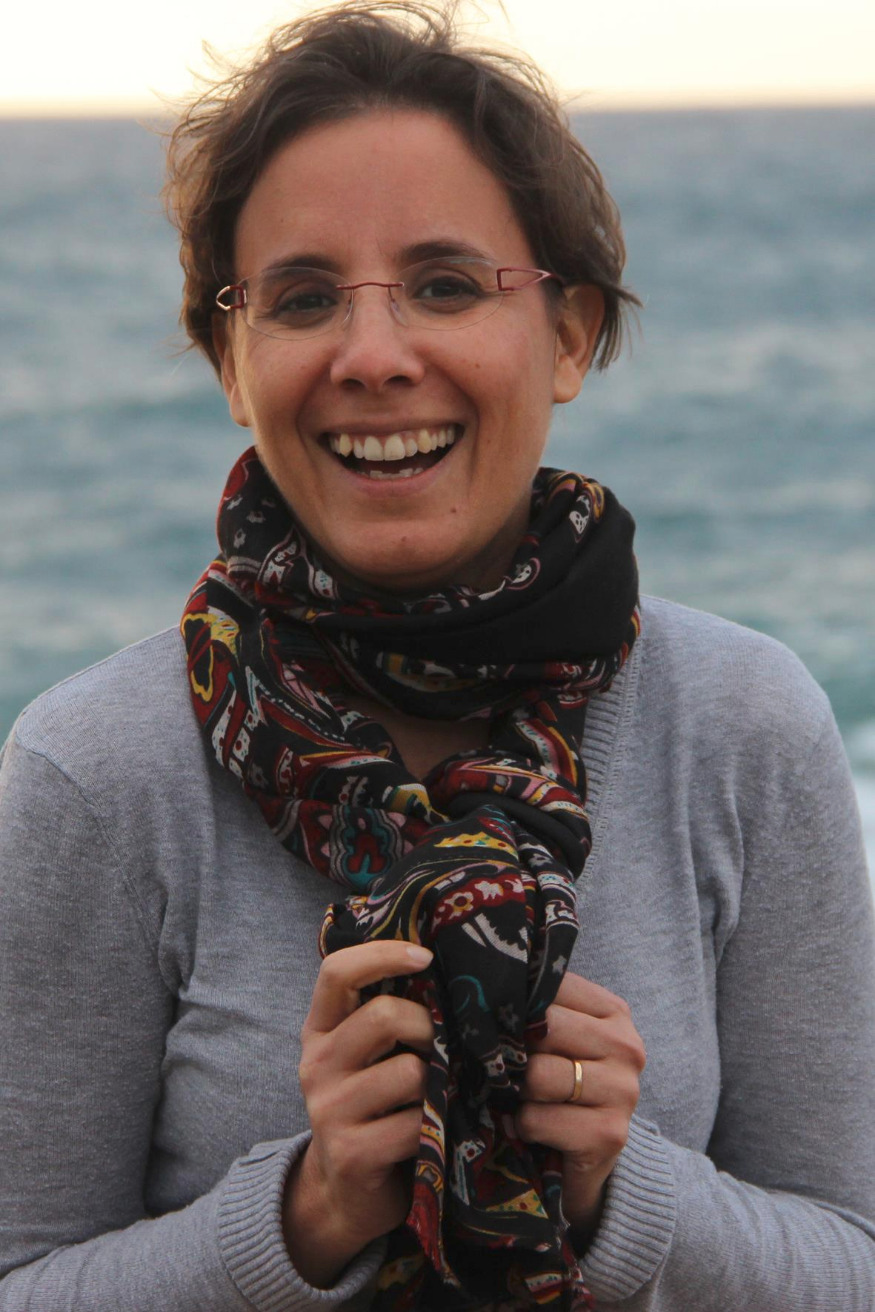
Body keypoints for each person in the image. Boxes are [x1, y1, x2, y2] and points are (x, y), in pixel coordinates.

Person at [1, 2, 874, 1309]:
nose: (374, 357)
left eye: (448, 285)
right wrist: (307, 1215)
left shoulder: (743, 726)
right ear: (232, 360)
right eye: (303, 299)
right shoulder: (96, 772)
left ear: (568, 334)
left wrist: (618, 1187)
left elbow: (853, 1261)